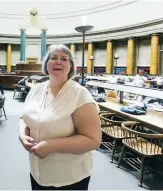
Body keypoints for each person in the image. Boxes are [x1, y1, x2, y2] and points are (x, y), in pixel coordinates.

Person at [19, 44, 101, 190]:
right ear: (46, 64)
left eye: (64, 59)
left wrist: (51, 145)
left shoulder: (80, 94)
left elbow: (93, 140)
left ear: (70, 66)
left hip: (68, 178)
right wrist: (22, 135)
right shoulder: (36, 90)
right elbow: (23, 118)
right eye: (54, 58)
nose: (58, 61)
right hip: (37, 174)